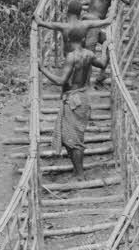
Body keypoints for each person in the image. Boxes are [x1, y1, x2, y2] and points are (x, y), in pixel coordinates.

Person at [38, 34, 108, 180]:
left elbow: (61, 80)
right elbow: (102, 64)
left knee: (73, 140)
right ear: (83, 40)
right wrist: (106, 48)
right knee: (70, 137)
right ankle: (77, 171)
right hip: (82, 97)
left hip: (73, 100)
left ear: (69, 41)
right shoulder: (88, 54)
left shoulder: (71, 57)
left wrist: (42, 69)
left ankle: (80, 174)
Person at [34, 0, 112, 51]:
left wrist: (36, 16)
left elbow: (44, 23)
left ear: (67, 12)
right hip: (81, 56)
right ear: (79, 14)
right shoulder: (85, 24)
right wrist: (111, 16)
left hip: (69, 58)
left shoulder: (63, 26)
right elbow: (105, 21)